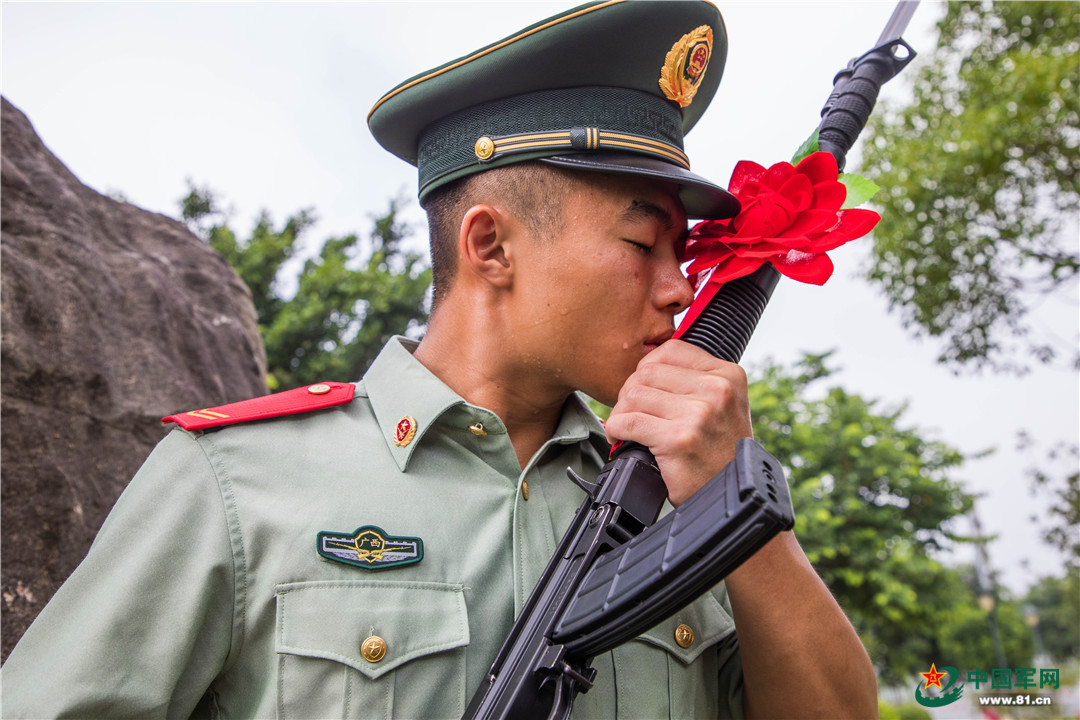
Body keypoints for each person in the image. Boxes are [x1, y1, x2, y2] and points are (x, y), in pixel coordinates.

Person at [2, 2, 877, 718]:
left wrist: (738, 504)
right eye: (642, 244)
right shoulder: (235, 482)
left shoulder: (684, 504)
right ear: (490, 246)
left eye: (681, 254)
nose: (679, 287)